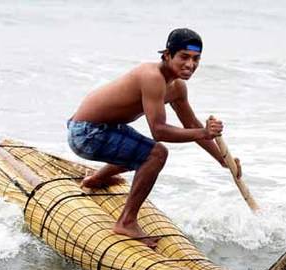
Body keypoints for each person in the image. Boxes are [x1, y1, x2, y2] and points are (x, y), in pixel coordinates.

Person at [67, 28, 241, 248]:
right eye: (184, 57)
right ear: (167, 55)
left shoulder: (177, 86)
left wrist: (223, 159)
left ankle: (96, 179)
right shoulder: (152, 77)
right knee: (156, 153)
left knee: (144, 150)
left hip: (105, 129)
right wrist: (205, 133)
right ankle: (126, 221)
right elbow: (159, 131)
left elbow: (191, 125)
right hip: (85, 133)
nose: (190, 64)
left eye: (196, 59)